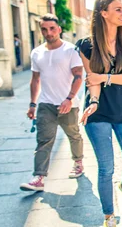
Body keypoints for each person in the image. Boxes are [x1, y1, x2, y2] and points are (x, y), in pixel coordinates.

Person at [76, 0, 122, 227]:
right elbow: (92, 81)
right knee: (106, 168)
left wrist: (106, 78)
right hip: (99, 113)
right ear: (103, 13)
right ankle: (109, 218)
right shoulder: (87, 46)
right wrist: (92, 102)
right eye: (117, 9)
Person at [20, 14, 85, 192]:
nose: (48, 32)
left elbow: (79, 77)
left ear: (59, 29)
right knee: (44, 140)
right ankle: (38, 177)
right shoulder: (37, 53)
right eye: (44, 29)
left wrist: (69, 98)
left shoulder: (70, 50)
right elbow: (35, 80)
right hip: (46, 104)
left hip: (68, 104)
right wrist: (32, 104)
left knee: (74, 135)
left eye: (52, 28)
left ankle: (78, 163)